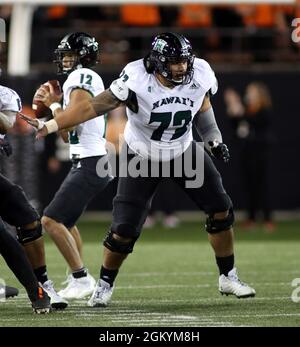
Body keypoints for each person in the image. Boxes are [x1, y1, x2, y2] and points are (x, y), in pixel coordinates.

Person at [22, 32, 256, 306]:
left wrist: (213, 138)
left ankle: (228, 275)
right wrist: (50, 125)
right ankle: (104, 285)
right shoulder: (136, 78)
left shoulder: (200, 71)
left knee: (221, 210)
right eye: (174, 62)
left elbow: (203, 105)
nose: (181, 67)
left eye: (184, 61)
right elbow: (92, 108)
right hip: (142, 156)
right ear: (157, 62)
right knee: (123, 230)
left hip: (183, 151)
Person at [32, 32, 113, 300]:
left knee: (50, 220)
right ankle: (77, 276)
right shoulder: (77, 80)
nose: (65, 60)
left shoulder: (80, 77)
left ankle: (81, 278)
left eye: (69, 55)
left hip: (91, 161)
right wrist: (55, 107)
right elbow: (67, 134)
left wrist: (54, 108)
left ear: (83, 57)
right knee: (65, 221)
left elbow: (72, 122)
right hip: (89, 159)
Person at [0, 84, 67, 309]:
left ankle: (43, 282)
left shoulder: (6, 95)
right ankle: (35, 290)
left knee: (27, 216)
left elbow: (6, 123)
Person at [224, 82, 274, 232]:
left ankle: (267, 219)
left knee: (262, 187)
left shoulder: (264, 110)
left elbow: (258, 127)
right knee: (249, 187)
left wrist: (239, 109)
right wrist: (234, 110)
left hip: (260, 154)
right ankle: (251, 218)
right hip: (247, 154)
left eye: (251, 92)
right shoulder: (246, 110)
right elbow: (236, 127)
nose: (249, 94)